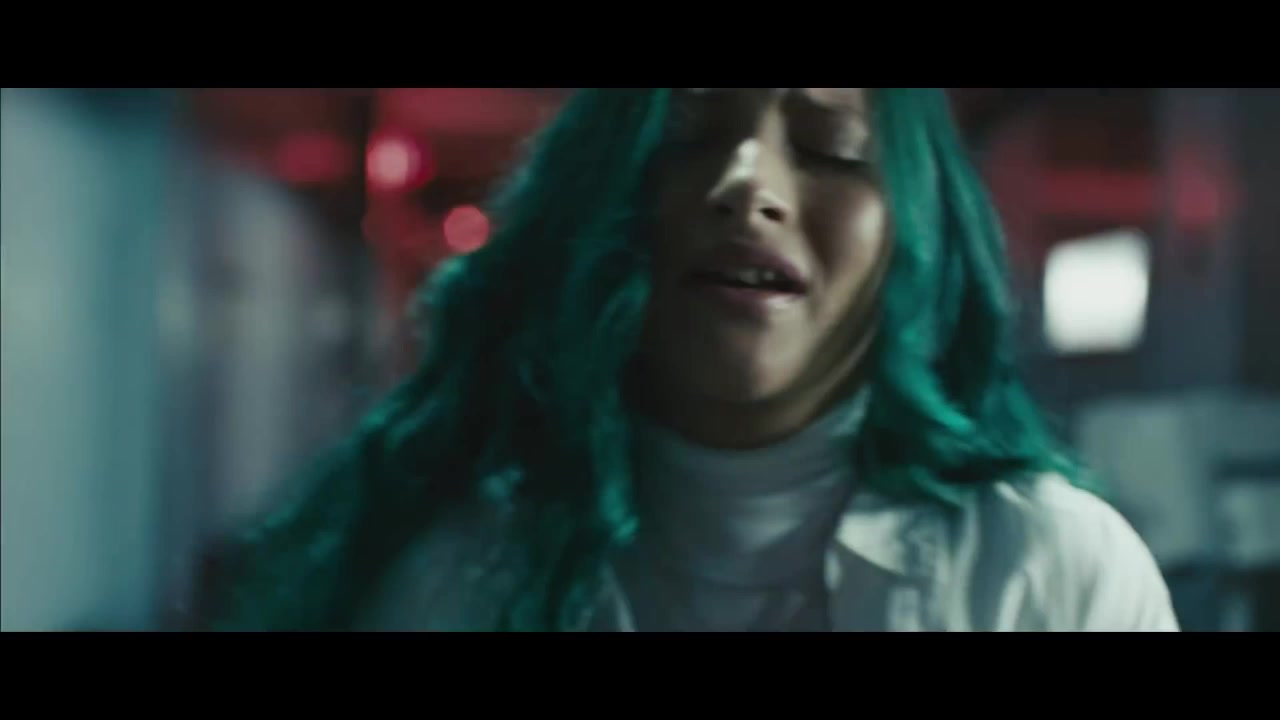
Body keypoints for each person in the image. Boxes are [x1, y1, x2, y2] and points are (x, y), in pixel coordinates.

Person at [199, 88, 1179, 632]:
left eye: (831, 147)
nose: (747, 182)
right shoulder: (453, 578)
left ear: (909, 233)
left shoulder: (1044, 575)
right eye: (691, 136)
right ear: (608, 202)